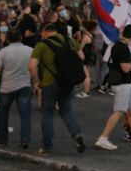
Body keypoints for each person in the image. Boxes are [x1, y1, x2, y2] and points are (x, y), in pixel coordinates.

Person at [31, 21, 88, 154]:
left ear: (45, 32)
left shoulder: (42, 45)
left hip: (49, 83)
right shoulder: (70, 41)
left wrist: (37, 81)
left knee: (47, 113)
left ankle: (47, 146)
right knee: (67, 110)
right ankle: (77, 135)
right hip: (68, 82)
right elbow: (82, 57)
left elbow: (32, 65)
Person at [90, 26, 131, 150]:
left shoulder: (117, 45)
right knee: (119, 111)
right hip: (122, 84)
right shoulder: (123, 48)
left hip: (125, 83)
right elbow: (125, 68)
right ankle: (103, 138)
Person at [0, 24, 36, 148]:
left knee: (3, 114)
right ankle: (25, 140)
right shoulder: (30, 50)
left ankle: (2, 140)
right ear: (21, 37)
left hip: (6, 87)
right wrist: (36, 83)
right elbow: (33, 67)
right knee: (25, 115)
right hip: (24, 85)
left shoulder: (3, 52)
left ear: (8, 38)